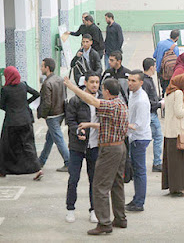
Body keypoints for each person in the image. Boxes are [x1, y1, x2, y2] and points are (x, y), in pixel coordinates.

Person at [64, 77, 129, 235]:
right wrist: (90, 124)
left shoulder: (110, 104)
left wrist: (72, 87)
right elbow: (105, 124)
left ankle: (104, 223)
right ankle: (120, 218)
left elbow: (92, 101)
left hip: (110, 150)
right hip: (120, 146)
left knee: (99, 186)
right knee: (117, 184)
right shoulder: (121, 104)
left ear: (106, 91)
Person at [65, 71, 102, 224]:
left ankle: (93, 210)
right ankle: (70, 209)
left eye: (97, 82)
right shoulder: (75, 101)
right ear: (85, 83)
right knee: (74, 178)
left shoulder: (102, 100)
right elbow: (70, 120)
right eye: (92, 82)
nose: (94, 85)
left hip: (95, 146)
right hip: (77, 147)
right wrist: (77, 131)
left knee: (94, 179)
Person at [0, 66, 42, 180]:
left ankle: (2, 171)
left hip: (11, 123)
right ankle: (38, 169)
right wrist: (25, 104)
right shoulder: (23, 85)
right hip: (26, 121)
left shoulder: (5, 90)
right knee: (28, 146)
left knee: (5, 146)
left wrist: (10, 109)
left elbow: (1, 104)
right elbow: (37, 94)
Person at [125, 70, 152, 212]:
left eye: (133, 81)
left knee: (139, 171)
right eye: (129, 80)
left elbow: (138, 124)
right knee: (136, 171)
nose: (130, 83)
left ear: (141, 83)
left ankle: (139, 202)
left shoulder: (141, 100)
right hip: (134, 138)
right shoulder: (132, 94)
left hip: (139, 138)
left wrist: (122, 125)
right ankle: (136, 199)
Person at [38, 58, 70, 172]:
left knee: (58, 139)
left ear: (47, 68)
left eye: (42, 66)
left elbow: (46, 103)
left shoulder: (47, 83)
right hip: (60, 112)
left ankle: (68, 162)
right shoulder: (60, 79)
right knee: (50, 138)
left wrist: (43, 114)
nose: (41, 68)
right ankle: (41, 160)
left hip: (52, 115)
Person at [142, 58, 164, 172]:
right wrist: (159, 104)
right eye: (155, 66)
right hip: (151, 114)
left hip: (151, 112)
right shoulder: (147, 82)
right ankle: (157, 162)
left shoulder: (146, 80)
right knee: (157, 137)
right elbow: (148, 101)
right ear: (151, 67)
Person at [153, 29, 180, 95]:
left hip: (159, 70)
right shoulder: (175, 48)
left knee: (163, 88)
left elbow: (154, 55)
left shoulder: (160, 43)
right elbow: (176, 61)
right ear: (177, 38)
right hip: (169, 73)